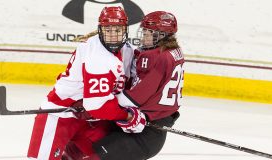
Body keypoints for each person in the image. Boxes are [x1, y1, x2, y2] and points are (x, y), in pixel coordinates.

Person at [64, 11, 184, 160]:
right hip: (139, 120)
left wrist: (98, 105)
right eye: (144, 31)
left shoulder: (158, 57)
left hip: (147, 129)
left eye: (149, 32)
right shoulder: (169, 51)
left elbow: (138, 96)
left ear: (163, 35)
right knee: (75, 149)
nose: (144, 35)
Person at [27, 6, 143, 160]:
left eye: (117, 30)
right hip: (61, 115)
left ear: (125, 30)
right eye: (108, 31)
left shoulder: (127, 50)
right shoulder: (97, 56)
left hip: (90, 120)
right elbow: (97, 106)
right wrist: (127, 116)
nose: (113, 36)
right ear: (101, 30)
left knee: (109, 155)